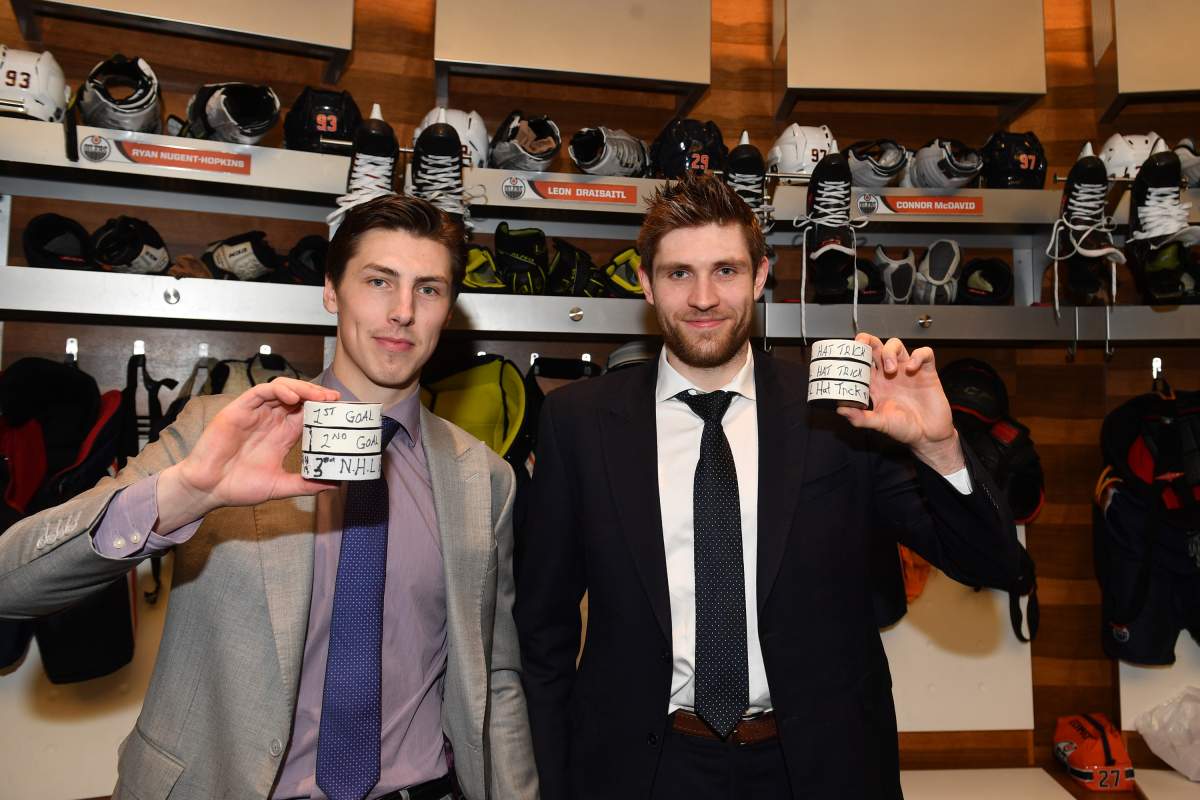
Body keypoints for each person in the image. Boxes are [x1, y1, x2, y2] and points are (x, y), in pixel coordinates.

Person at [0, 195, 538, 800]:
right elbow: (12, 582)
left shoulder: (485, 478)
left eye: (430, 289)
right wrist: (185, 494)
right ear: (331, 290)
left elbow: (496, 675)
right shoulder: (218, 432)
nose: (403, 312)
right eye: (379, 281)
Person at [513, 175, 1020, 800]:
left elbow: (992, 564)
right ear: (645, 284)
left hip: (818, 767)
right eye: (679, 274)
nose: (703, 297)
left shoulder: (838, 411)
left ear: (759, 277)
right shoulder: (579, 423)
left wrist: (937, 446)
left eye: (725, 270)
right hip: (643, 769)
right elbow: (544, 629)